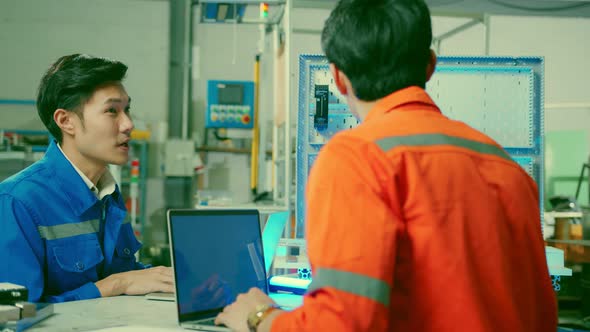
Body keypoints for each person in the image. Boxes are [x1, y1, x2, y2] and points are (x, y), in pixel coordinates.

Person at [215, 0, 558, 331]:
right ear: (430, 65)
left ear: (338, 78)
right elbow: (543, 317)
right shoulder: (505, 166)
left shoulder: (356, 157)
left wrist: (259, 316)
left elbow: (342, 326)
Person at [0, 54, 174, 303]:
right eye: (112, 111)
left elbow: (123, 277)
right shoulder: (17, 202)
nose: (128, 124)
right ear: (66, 121)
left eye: (127, 110)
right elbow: (15, 315)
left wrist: (178, 279)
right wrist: (115, 284)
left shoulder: (107, 194)